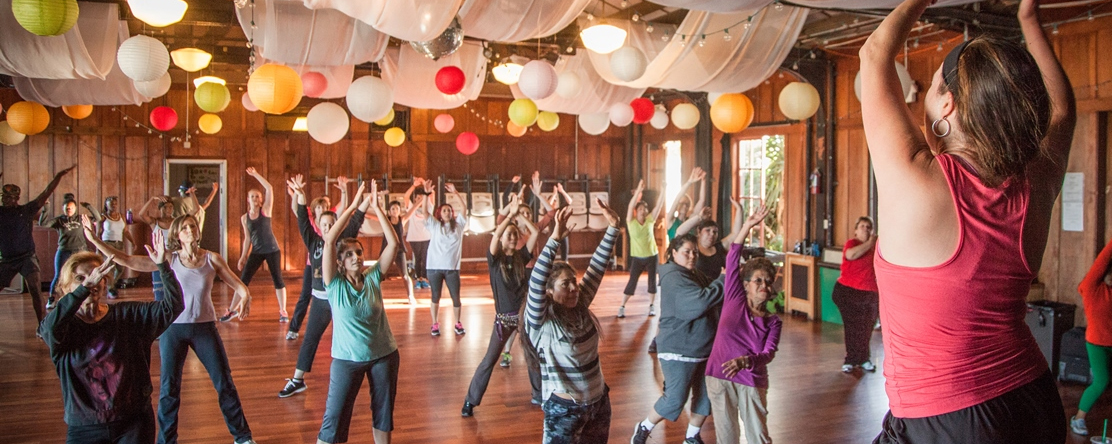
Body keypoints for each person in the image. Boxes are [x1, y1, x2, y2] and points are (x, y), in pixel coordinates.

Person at [860, 0, 1075, 441]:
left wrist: (1028, 18)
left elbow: (873, 55)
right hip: (1032, 399)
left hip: (952, 418)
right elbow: (1062, 112)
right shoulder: (1036, 181)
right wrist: (1029, 20)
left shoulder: (917, 177)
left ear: (950, 105)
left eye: (935, 84)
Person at [82, 215, 256, 444]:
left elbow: (239, 285)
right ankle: (166, 441)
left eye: (192, 226)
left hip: (204, 327)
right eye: (184, 228)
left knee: (224, 383)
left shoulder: (211, 259)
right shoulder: (168, 260)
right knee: (169, 391)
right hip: (172, 329)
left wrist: (245, 296)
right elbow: (126, 260)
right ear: (177, 236)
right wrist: (95, 240)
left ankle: (242, 437)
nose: (189, 229)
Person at [38, 230, 183, 444]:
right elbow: (47, 331)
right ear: (65, 287)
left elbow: (173, 307)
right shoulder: (62, 327)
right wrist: (83, 289)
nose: (92, 281)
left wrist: (163, 266)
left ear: (105, 283)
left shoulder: (127, 315)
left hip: (133, 422)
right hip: (84, 427)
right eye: (81, 278)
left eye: (98, 276)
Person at [524, 201, 620, 443]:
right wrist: (554, 240)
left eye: (573, 281)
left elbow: (596, 268)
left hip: (598, 403)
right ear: (549, 291)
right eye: (565, 284)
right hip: (564, 410)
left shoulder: (580, 306)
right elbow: (536, 282)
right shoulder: (541, 321)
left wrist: (613, 228)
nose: (573, 288)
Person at [315, 181, 400, 444]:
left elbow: (393, 243)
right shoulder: (335, 285)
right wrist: (353, 206)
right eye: (349, 254)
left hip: (384, 355)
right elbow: (329, 242)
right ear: (340, 262)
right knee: (335, 417)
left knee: (383, 414)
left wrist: (377, 207)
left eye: (359, 252)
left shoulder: (373, 277)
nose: (356, 257)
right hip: (346, 359)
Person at [278, 174, 369, 398]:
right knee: (310, 338)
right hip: (320, 299)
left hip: (341, 299)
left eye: (332, 223)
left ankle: (363, 371)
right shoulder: (314, 242)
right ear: (319, 226)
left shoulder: (343, 240)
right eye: (324, 224)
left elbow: (356, 217)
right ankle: (297, 380)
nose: (328, 227)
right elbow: (301, 216)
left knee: (353, 336)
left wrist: (368, 198)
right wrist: (299, 194)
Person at [630, 232, 725, 444]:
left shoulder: (694, 274)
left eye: (694, 252)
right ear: (674, 253)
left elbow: (714, 293)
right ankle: (644, 427)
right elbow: (699, 303)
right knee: (674, 399)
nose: (692, 256)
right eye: (686, 252)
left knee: (705, 397)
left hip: (702, 348)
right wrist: (724, 279)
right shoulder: (674, 276)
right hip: (678, 349)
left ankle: (692, 436)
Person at [461, 193, 543, 417]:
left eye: (515, 235)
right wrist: (509, 217)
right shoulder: (494, 259)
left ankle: (539, 396)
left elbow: (535, 232)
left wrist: (519, 218)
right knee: (489, 359)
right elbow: (496, 234)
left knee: (532, 356)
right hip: (503, 320)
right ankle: (470, 400)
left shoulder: (522, 256)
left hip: (524, 317)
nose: (513, 238)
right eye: (510, 235)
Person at [704, 214, 781, 444]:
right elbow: (733, 256)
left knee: (758, 437)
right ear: (746, 285)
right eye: (758, 281)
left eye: (768, 281)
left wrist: (745, 361)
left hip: (751, 380)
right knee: (726, 438)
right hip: (719, 376)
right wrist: (747, 225)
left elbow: (768, 354)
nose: (764, 286)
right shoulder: (735, 299)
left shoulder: (773, 321)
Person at [0, 165, 74, 324]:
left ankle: (42, 326)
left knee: (35, 289)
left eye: (7, 197)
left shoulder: (26, 210)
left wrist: (59, 176)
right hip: (6, 261)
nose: (4, 200)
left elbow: (46, 192)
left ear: (16, 198)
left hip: (27, 258)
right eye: (2, 197)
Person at [286, 177, 350, 340]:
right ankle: (294, 328)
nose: (322, 209)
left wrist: (343, 190)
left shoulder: (331, 219)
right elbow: (297, 211)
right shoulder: (311, 221)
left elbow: (343, 207)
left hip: (332, 266)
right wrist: (297, 194)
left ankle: (343, 332)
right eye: (319, 207)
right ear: (314, 209)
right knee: (305, 296)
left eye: (325, 207)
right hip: (313, 265)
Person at [1070, 237, 1112, 435]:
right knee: (1101, 381)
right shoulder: (1092, 288)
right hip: (1097, 343)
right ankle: (1078, 419)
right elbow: (1101, 261)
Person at [237, 167, 287, 323]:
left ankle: (283, 311)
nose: (255, 198)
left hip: (272, 250)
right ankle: (232, 309)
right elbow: (247, 239)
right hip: (257, 251)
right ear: (248, 199)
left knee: (277, 279)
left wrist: (255, 174)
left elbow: (269, 188)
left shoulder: (266, 210)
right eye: (252, 196)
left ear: (260, 199)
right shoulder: (245, 218)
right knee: (243, 279)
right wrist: (243, 257)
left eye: (257, 196)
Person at [832, 216, 880, 373]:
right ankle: (851, 360)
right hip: (848, 291)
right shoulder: (852, 244)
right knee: (852, 327)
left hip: (870, 293)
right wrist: (870, 243)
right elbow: (851, 255)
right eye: (862, 226)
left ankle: (864, 359)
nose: (865, 229)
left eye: (868, 227)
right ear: (856, 230)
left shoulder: (875, 247)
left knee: (866, 328)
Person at [424, 181, 468, 336]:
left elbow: (464, 208)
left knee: (456, 297)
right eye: (444, 210)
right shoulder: (435, 226)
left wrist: (455, 192)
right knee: (435, 296)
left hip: (452, 268)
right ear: (440, 214)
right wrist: (426, 194)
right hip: (434, 267)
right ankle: (434, 323)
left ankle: (457, 322)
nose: (447, 212)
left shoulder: (459, 226)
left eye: (449, 210)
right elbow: (424, 213)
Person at [620, 179, 667, 318]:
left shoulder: (650, 220)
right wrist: (639, 190)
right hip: (637, 258)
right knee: (632, 282)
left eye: (645, 209)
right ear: (636, 211)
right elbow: (630, 207)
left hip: (652, 256)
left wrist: (664, 189)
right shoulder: (631, 223)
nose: (643, 211)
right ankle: (622, 306)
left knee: (652, 282)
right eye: (640, 209)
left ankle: (652, 306)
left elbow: (658, 205)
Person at [39, 193, 88, 308]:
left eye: (71, 208)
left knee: (82, 274)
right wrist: (45, 208)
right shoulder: (59, 220)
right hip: (64, 250)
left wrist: (89, 206)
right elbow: (43, 224)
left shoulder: (81, 218)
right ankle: (51, 299)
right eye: (67, 208)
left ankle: (83, 297)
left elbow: (98, 218)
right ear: (63, 209)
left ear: (75, 208)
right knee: (58, 276)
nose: (69, 210)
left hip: (80, 250)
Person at [82, 196, 132, 299]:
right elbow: (98, 232)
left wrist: (133, 242)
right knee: (111, 267)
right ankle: (111, 289)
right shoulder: (103, 217)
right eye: (111, 203)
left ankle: (111, 284)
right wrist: (98, 247)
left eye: (115, 203)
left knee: (121, 267)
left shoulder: (121, 216)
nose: (113, 205)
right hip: (108, 243)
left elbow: (126, 231)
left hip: (119, 244)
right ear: (106, 205)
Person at [136, 196, 176, 301]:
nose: (168, 210)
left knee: (175, 286)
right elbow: (141, 214)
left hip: (174, 256)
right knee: (159, 288)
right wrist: (152, 199)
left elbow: (195, 211)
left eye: (171, 207)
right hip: (159, 258)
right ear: (160, 208)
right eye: (165, 207)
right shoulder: (154, 222)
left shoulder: (176, 222)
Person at [664, 167, 706, 241]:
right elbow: (677, 199)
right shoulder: (670, 220)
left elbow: (702, 200)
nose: (684, 206)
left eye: (687, 204)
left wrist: (703, 180)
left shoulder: (690, 220)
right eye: (682, 203)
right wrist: (689, 182)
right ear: (678, 205)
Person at [403, 178, 431, 290]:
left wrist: (424, 184)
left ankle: (424, 279)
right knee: (418, 258)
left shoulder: (428, 207)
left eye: (421, 198)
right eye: (418, 198)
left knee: (425, 258)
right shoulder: (411, 207)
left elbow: (431, 195)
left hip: (426, 237)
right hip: (414, 237)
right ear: (414, 199)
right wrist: (414, 186)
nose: (419, 200)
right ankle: (418, 279)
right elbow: (406, 196)